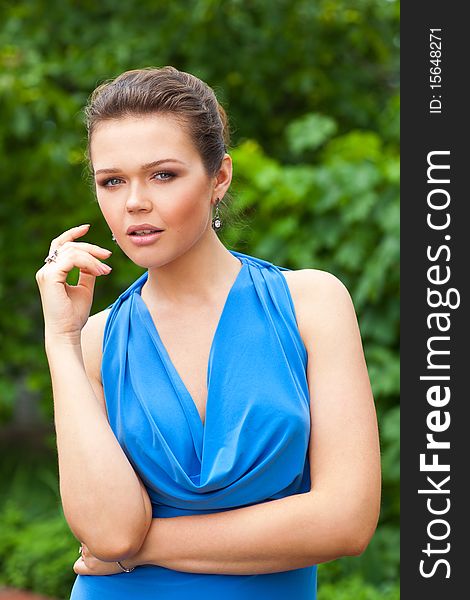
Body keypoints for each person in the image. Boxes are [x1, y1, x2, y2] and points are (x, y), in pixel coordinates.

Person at [35, 66, 381, 600]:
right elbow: (108, 532)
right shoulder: (96, 339)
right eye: (112, 181)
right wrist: (60, 339)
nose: (134, 203)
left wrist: (146, 548)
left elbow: (346, 521)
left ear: (219, 177)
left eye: (163, 174)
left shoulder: (312, 303)